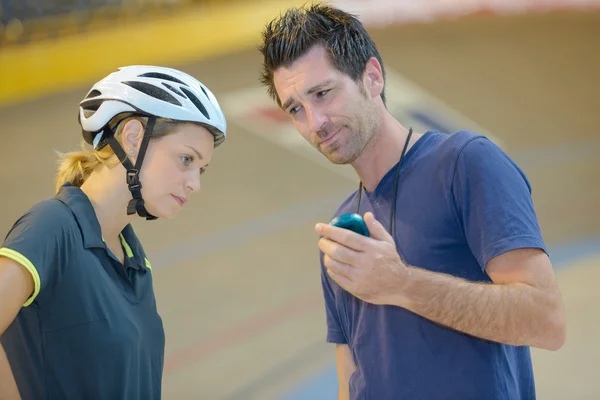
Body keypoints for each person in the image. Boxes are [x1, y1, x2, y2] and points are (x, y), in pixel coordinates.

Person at [258, 4, 566, 400]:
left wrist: (402, 283)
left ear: (372, 77)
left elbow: (546, 320)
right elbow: (349, 376)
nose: (314, 122)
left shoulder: (465, 163)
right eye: (296, 109)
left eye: (323, 93)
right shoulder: (343, 229)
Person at [0, 65, 227, 400]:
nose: (195, 184)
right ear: (134, 138)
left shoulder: (134, 261)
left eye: (201, 169)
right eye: (185, 159)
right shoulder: (51, 228)